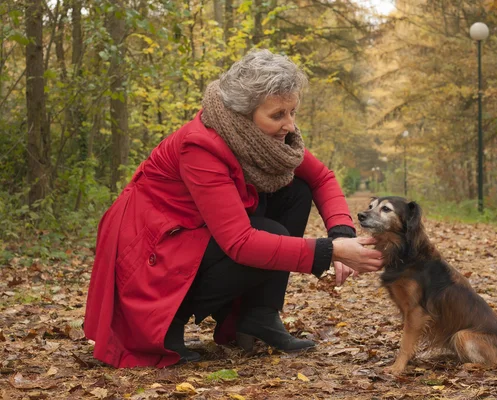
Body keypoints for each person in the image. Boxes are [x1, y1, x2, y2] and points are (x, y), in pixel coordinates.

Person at [83, 49, 383, 368]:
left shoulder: (266, 142)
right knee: (270, 235)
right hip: (154, 248)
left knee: (297, 188)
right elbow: (240, 243)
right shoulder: (200, 145)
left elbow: (321, 177)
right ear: (244, 113)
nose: (290, 126)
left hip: (195, 232)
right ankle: (171, 317)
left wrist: (342, 233)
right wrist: (331, 252)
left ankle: (259, 316)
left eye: (293, 112)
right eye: (278, 115)